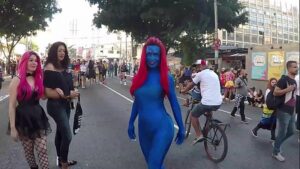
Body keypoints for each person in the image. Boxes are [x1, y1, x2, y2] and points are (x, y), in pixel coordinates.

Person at [127, 37, 185, 169]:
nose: (152, 58)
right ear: (144, 56)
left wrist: (181, 127)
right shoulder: (138, 78)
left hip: (162, 127)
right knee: (155, 165)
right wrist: (131, 123)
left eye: (155, 54)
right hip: (143, 130)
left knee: (153, 166)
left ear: (161, 57)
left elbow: (174, 104)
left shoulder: (166, 78)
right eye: (148, 54)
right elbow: (137, 102)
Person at [8, 51, 51, 169]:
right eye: (31, 60)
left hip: (38, 116)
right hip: (23, 119)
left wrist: (54, 89)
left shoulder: (38, 78)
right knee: (29, 151)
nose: (34, 63)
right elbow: (11, 105)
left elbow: (43, 96)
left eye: (36, 60)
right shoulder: (16, 80)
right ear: (24, 62)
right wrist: (12, 128)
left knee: (42, 149)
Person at [43, 42, 79, 169]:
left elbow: (67, 85)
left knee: (61, 133)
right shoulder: (49, 66)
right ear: (54, 52)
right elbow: (47, 92)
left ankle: (60, 159)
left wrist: (72, 89)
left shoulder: (64, 66)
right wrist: (67, 94)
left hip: (66, 104)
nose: (62, 53)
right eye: (59, 50)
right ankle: (64, 163)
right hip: (55, 106)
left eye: (64, 50)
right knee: (67, 136)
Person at [181, 60, 222, 144]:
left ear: (201, 66)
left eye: (197, 66)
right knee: (208, 110)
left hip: (207, 102)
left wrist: (184, 90)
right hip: (218, 102)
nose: (197, 68)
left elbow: (190, 85)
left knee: (193, 115)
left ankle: (199, 135)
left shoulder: (200, 74)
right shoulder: (214, 74)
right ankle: (208, 125)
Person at [272, 60, 298, 162]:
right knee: (282, 132)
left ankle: (277, 143)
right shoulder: (283, 80)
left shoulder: (294, 81)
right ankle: (275, 152)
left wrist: (295, 109)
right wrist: (287, 89)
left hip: (292, 110)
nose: (297, 68)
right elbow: (275, 92)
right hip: (283, 110)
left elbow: (293, 96)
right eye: (294, 67)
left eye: (297, 67)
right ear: (289, 68)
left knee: (292, 131)